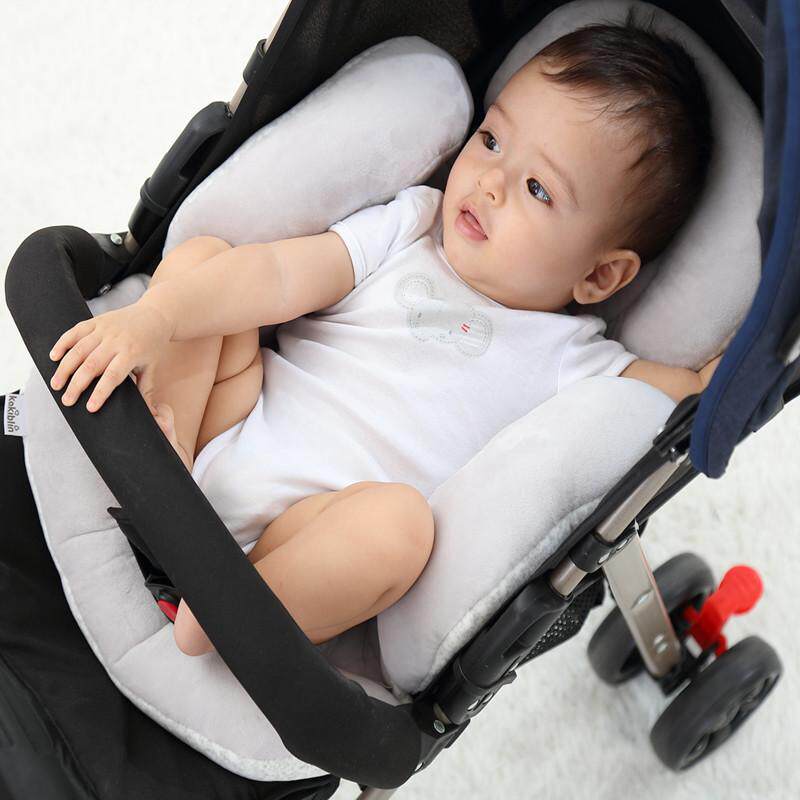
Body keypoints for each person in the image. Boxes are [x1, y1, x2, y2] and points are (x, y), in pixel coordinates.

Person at [46, 13, 721, 657]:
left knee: (400, 530)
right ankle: (158, 469)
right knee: (207, 264)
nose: (489, 182)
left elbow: (695, 397)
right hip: (225, 430)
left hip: (305, 534)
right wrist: (157, 319)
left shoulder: (578, 362)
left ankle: (224, 616)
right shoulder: (410, 226)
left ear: (600, 275)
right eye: (492, 140)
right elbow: (279, 274)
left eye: (538, 189)